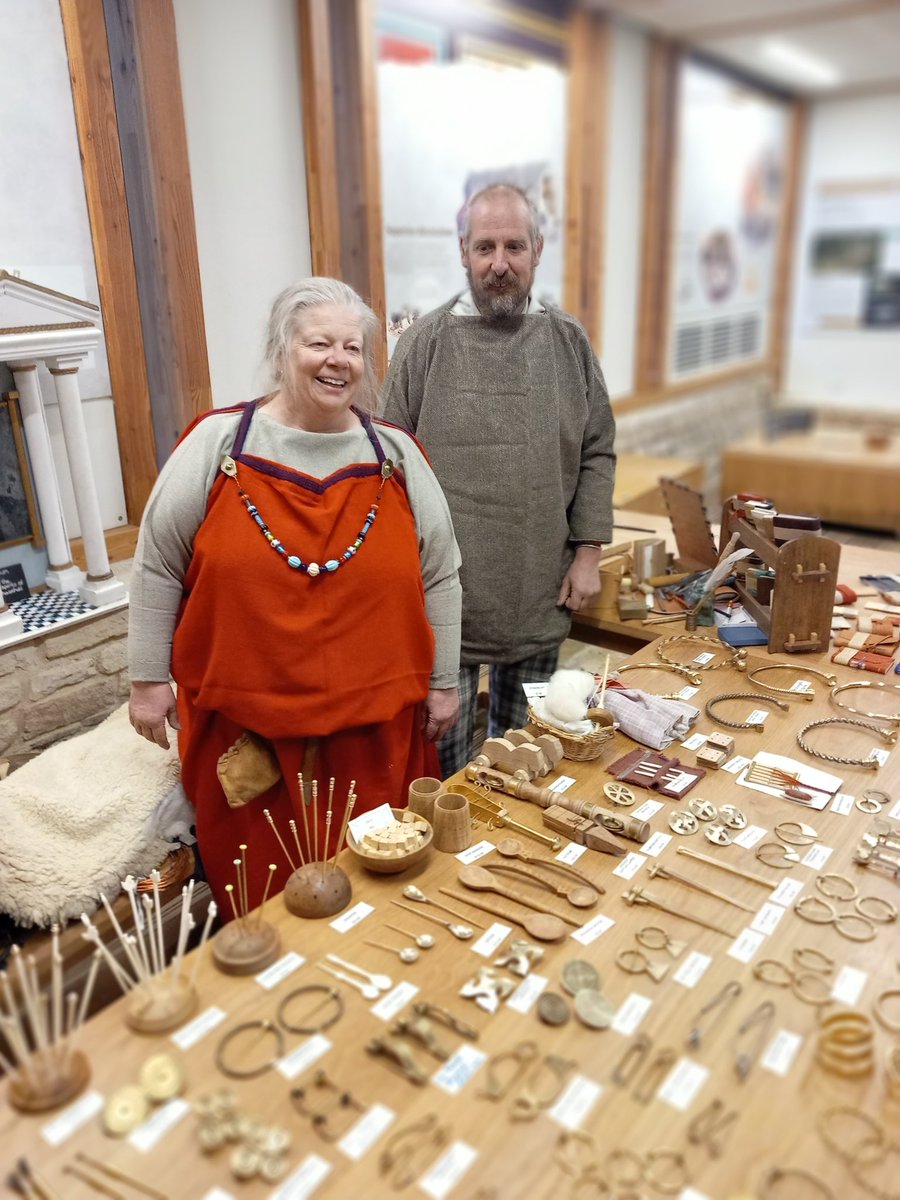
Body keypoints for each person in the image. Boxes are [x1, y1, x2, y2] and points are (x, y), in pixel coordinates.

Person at [128, 278, 461, 915]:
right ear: (283, 351)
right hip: (247, 734)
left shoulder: (396, 454)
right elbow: (157, 567)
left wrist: (444, 680)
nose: (339, 360)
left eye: (353, 347)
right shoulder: (217, 444)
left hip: (377, 731)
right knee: (262, 899)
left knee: (376, 888)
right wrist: (148, 678)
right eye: (319, 344)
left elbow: (441, 574)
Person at [381, 183, 615, 778]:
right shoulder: (423, 345)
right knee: (446, 771)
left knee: (525, 761)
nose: (500, 264)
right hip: (445, 597)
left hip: (538, 588)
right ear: (463, 252)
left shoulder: (568, 344)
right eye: (485, 247)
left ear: (538, 250)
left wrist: (588, 554)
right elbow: (385, 465)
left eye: (515, 246)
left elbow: (597, 449)